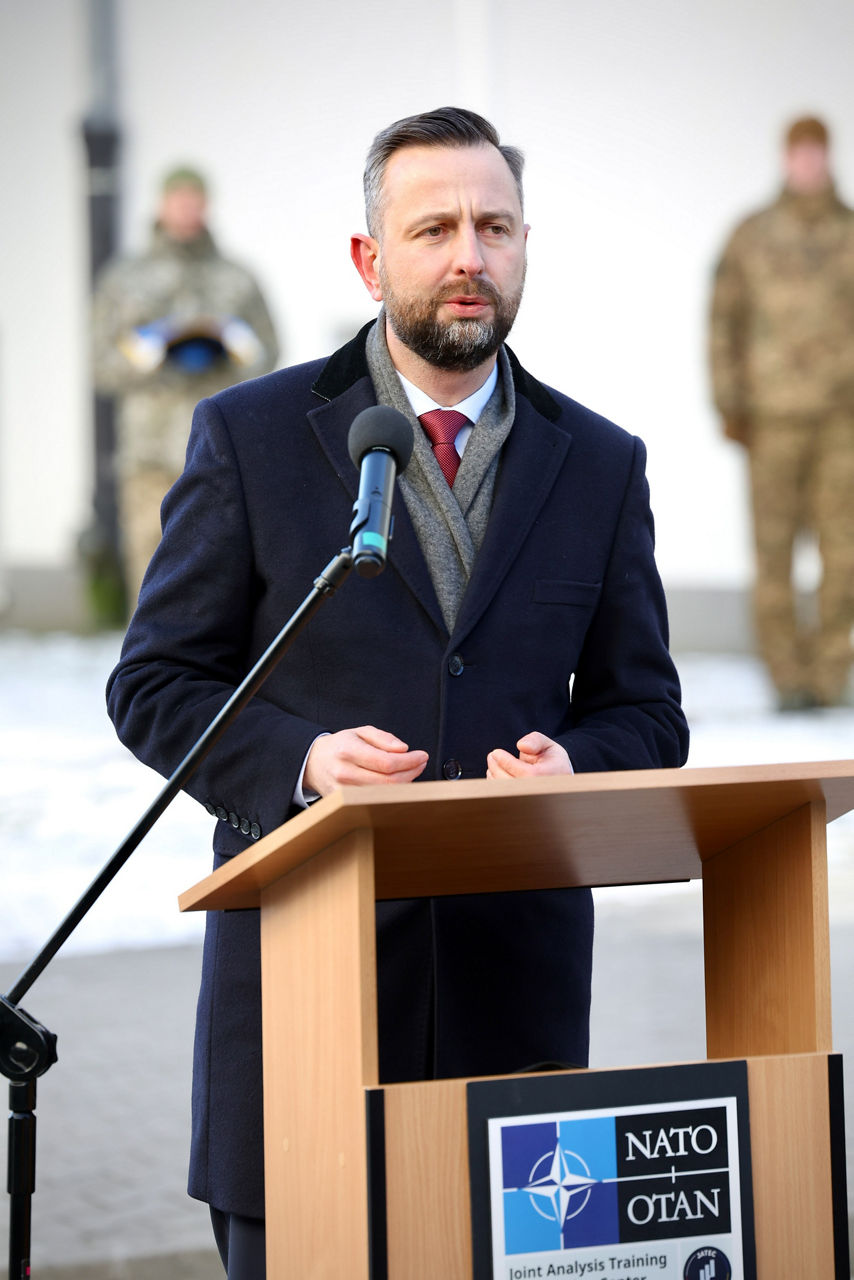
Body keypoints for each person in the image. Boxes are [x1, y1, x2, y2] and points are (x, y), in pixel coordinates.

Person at [106, 107, 689, 1277]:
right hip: (300, 997)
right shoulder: (251, 435)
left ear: (524, 247)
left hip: (510, 1019)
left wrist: (578, 764)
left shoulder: (602, 460)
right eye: (433, 228)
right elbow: (157, 682)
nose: (467, 254)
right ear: (371, 260)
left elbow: (646, 710)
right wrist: (304, 763)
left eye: (493, 226)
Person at [709, 115, 854, 711]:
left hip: (842, 418)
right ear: (786, 158)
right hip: (771, 418)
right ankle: (785, 677)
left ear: (826, 157)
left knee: (843, 550)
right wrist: (729, 399)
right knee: (772, 551)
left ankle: (828, 675)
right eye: (799, 154)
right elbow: (724, 320)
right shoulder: (752, 235)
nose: (808, 165)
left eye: (816, 154)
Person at [91, 165, 279, 610]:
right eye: (179, 201)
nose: (187, 211)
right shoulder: (124, 279)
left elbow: (268, 354)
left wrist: (227, 349)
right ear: (161, 205)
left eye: (195, 201)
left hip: (221, 449)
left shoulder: (237, 278)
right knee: (151, 572)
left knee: (223, 569)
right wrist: (150, 354)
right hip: (150, 454)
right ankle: (149, 674)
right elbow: (101, 364)